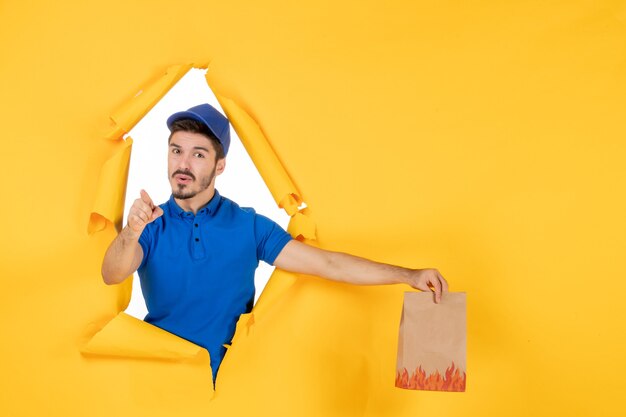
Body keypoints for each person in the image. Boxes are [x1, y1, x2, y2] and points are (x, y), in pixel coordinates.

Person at [101, 103, 449, 383]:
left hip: (228, 387)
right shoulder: (149, 224)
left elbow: (328, 264)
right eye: (176, 151)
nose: (183, 164)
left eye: (198, 154)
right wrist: (131, 231)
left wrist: (409, 275)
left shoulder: (248, 226)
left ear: (220, 166)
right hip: (156, 384)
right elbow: (112, 274)